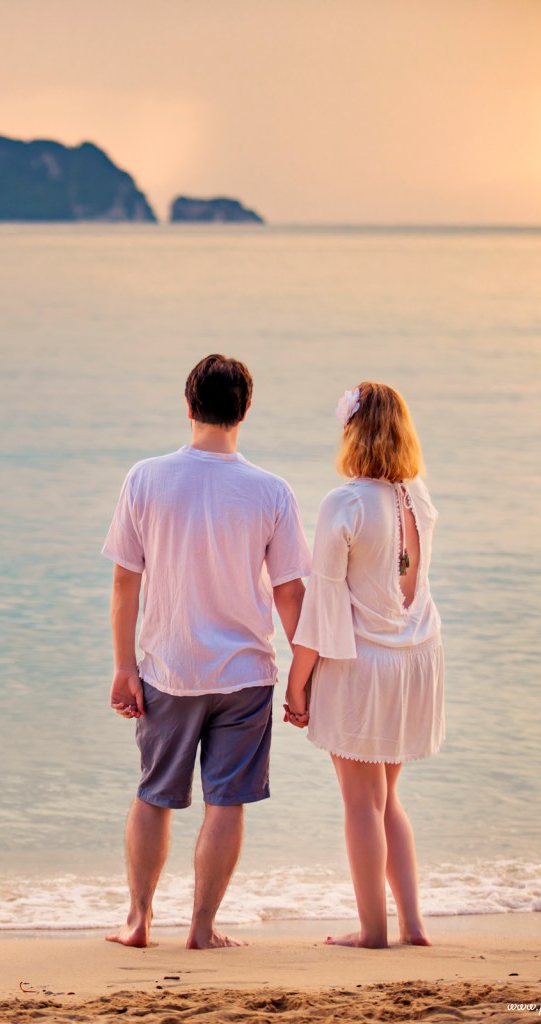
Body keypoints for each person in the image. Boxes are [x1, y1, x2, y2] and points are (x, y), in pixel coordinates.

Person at [101, 354, 312, 949]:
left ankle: (138, 922)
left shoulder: (146, 478)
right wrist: (301, 672)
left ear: (188, 405)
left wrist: (124, 667)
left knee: (153, 793)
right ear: (245, 410)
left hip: (168, 668)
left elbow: (125, 582)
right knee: (227, 802)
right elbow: (290, 591)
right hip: (245, 675)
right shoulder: (271, 490)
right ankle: (202, 928)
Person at [282, 381, 445, 949]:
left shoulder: (345, 502)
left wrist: (296, 686)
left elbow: (324, 604)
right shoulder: (416, 495)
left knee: (360, 802)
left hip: (363, 665)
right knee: (388, 798)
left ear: (353, 430)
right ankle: (413, 926)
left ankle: (373, 931)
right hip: (415, 657)